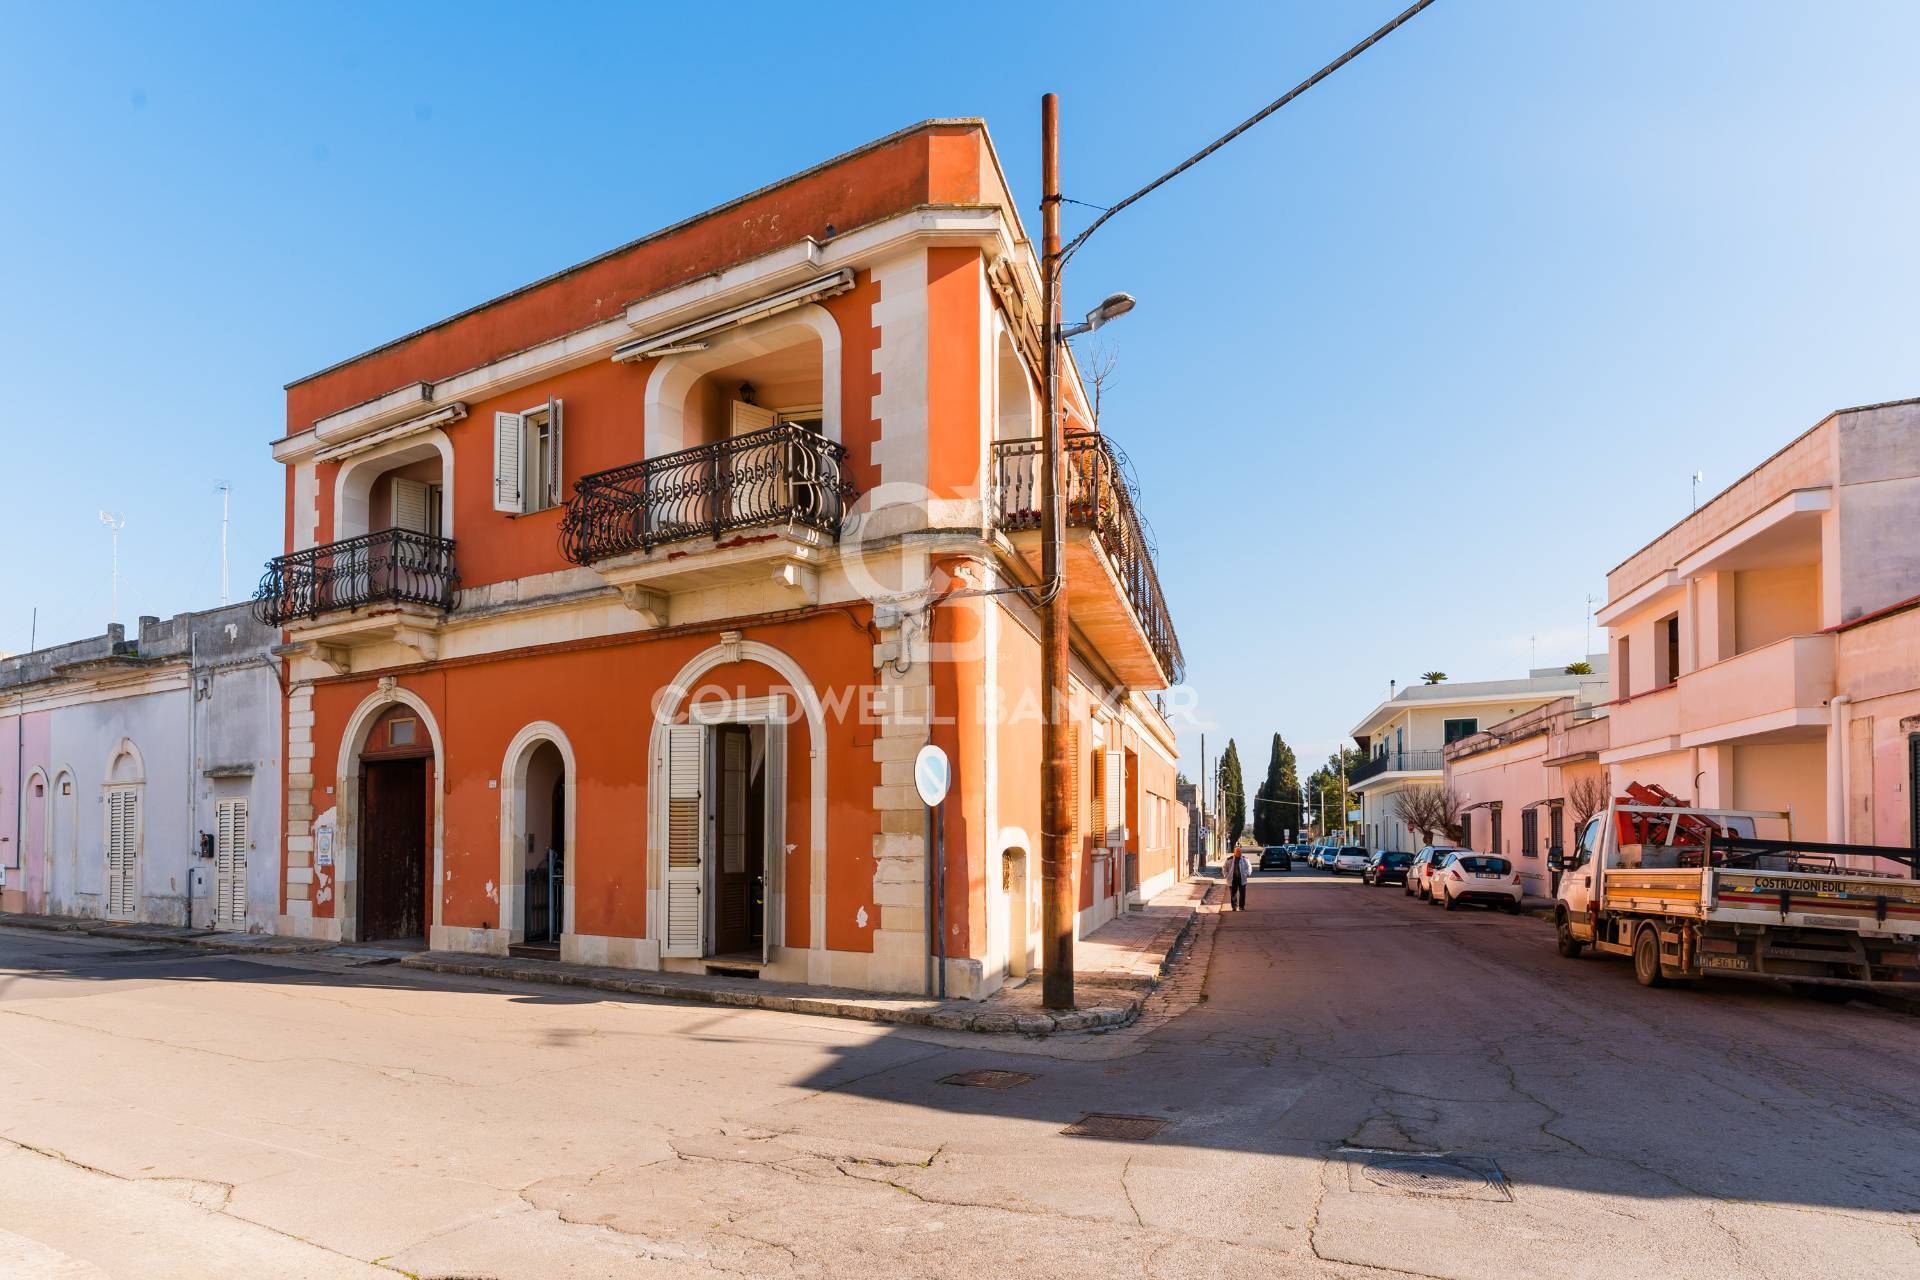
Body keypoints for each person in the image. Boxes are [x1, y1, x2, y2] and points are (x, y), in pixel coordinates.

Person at [1224, 846, 1252, 911]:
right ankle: (1234, 906)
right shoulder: (1229, 859)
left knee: (1242, 893)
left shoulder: (1245, 859)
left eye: (1239, 851)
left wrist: (1247, 874)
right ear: (1234, 852)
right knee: (1233, 893)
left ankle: (1241, 906)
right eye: (1237, 851)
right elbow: (1224, 868)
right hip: (1232, 878)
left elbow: (1249, 867)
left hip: (1242, 878)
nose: (1238, 853)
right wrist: (1226, 875)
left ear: (1241, 852)